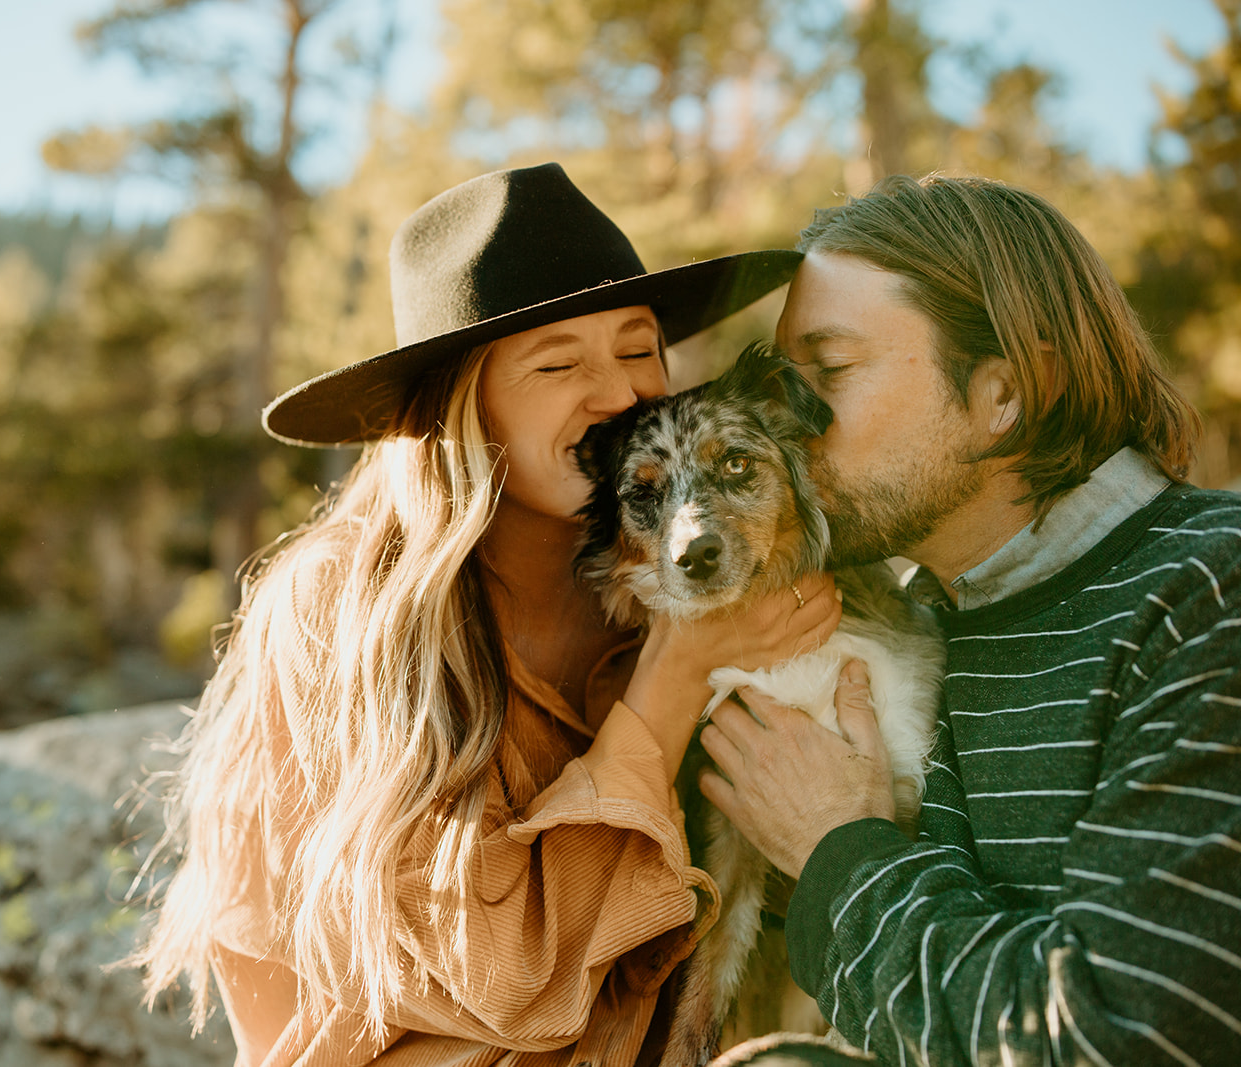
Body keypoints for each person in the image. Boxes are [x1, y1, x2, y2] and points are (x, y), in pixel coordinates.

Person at [129, 162, 842, 1066]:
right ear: (465, 408)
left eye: (637, 349)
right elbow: (507, 976)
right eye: (558, 363)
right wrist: (671, 681)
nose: (622, 395)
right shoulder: (345, 614)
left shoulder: (676, 577)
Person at [699, 174, 1241, 1065]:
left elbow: (1121, 1035)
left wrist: (839, 851)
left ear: (1005, 391)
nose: (778, 423)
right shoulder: (909, 623)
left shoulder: (1208, 593)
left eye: (826, 373)